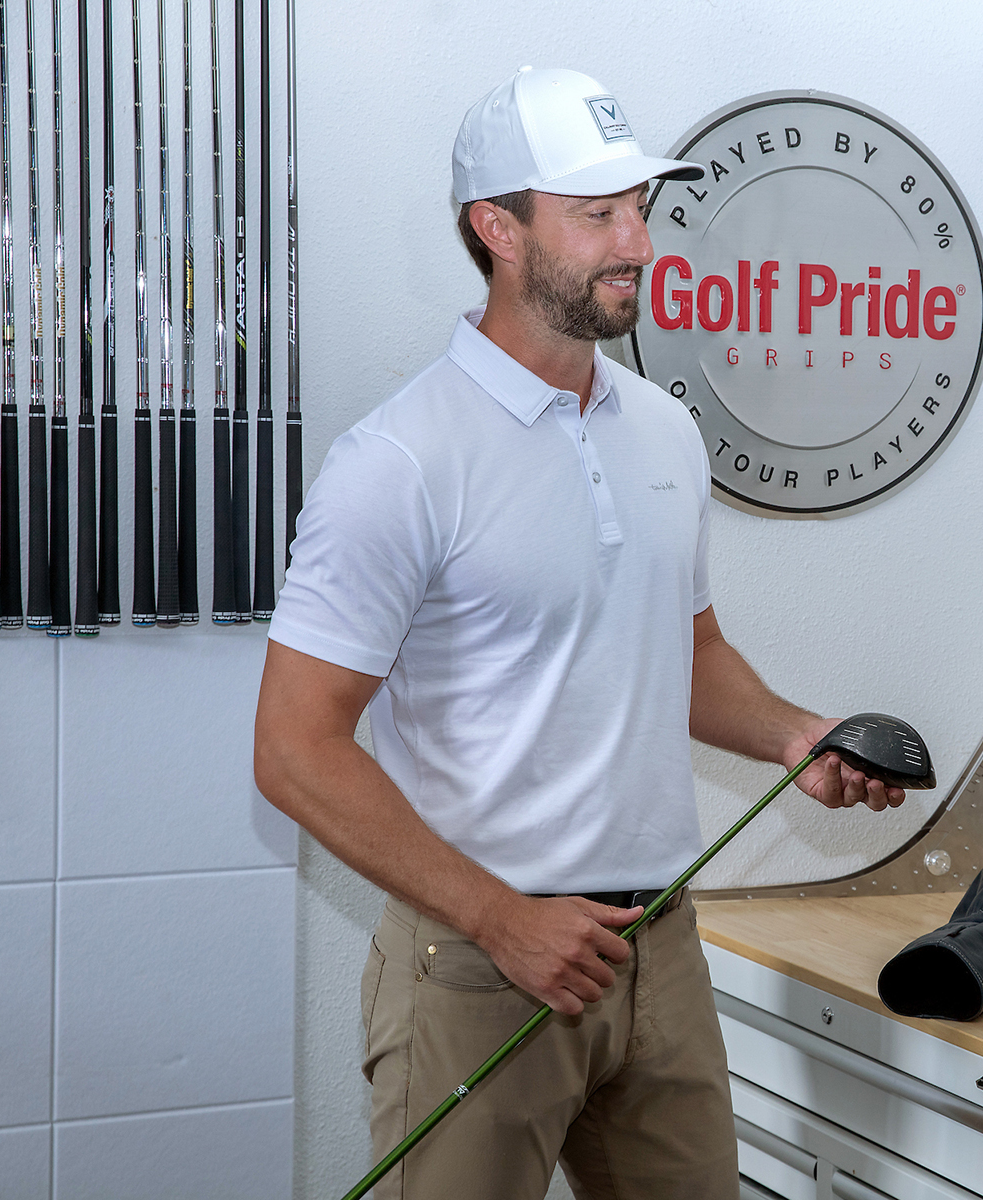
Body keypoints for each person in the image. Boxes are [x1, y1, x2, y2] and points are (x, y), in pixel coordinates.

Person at [253, 67, 904, 1200]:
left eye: (639, 208)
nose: (638, 242)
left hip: (660, 955)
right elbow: (293, 749)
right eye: (598, 214)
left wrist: (795, 737)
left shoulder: (664, 430)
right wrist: (501, 920)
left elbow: (689, 654)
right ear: (497, 229)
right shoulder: (398, 462)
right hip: (478, 966)